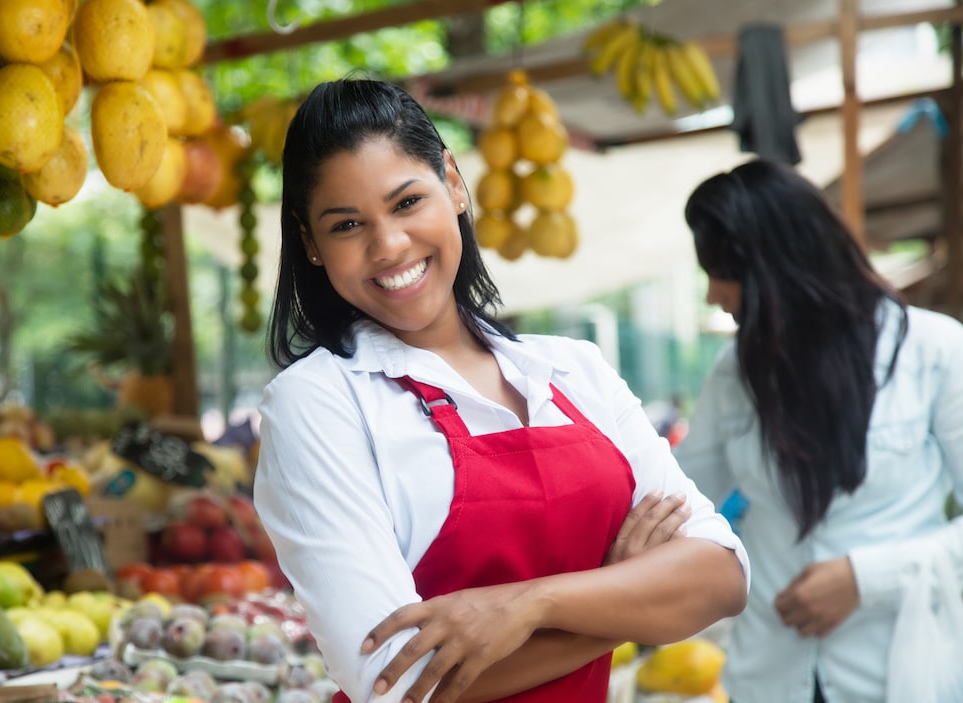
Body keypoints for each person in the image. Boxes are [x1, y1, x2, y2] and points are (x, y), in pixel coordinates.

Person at [252, 77, 749, 703]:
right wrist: (624, 597)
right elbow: (399, 681)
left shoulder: (574, 370)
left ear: (454, 183)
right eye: (348, 224)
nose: (388, 245)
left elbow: (724, 575)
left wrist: (531, 605)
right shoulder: (318, 402)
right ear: (310, 244)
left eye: (406, 203)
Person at [664, 158, 963, 703]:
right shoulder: (734, 374)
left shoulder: (934, 351)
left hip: (901, 675)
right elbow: (672, 502)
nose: (713, 296)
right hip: (770, 677)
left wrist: (866, 578)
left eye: (720, 273)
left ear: (777, 270)